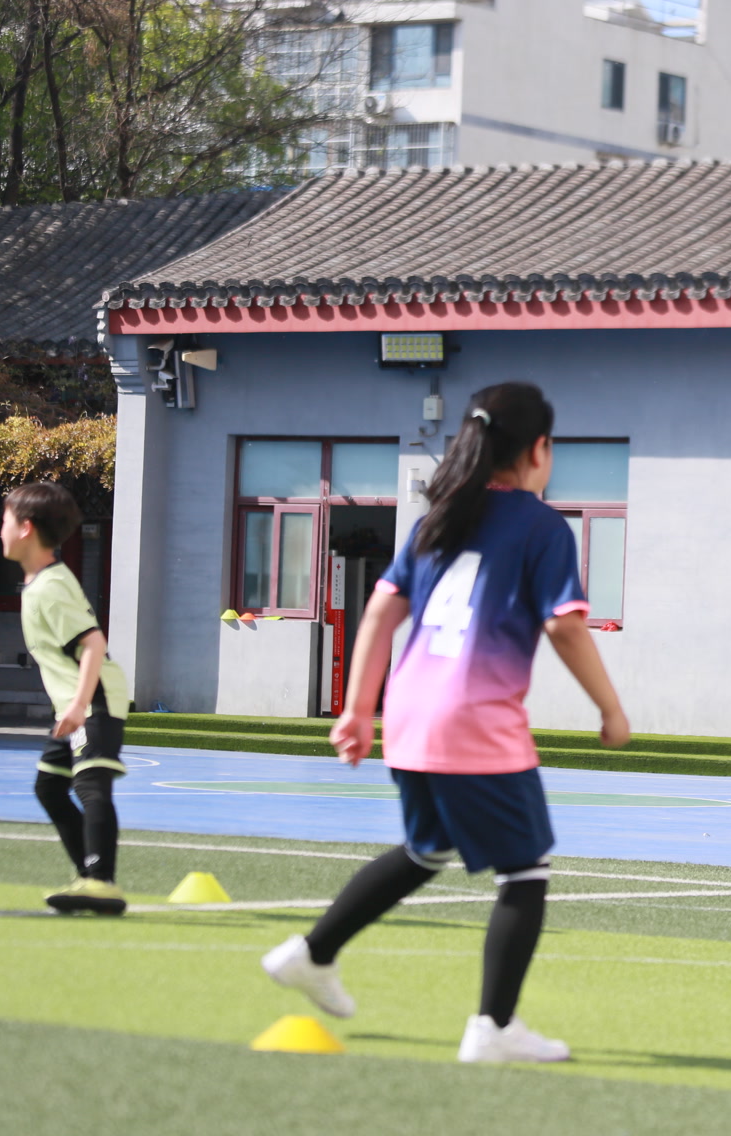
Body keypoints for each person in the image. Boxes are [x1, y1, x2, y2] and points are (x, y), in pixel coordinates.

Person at [262, 383, 630, 1064]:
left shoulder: (435, 521)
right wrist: (610, 709)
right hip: (475, 718)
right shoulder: (542, 526)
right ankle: (493, 1028)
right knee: (526, 872)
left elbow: (378, 614)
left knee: (425, 849)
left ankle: (312, 953)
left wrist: (356, 710)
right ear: (539, 450)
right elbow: (565, 626)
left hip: (410, 715)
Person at [1, 482, 134, 915]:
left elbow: (93, 643)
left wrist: (79, 706)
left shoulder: (50, 586)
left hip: (93, 699)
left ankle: (100, 882)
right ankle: (89, 877)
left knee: (91, 782)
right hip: (74, 704)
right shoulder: (40, 583)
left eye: (4, 521)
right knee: (50, 787)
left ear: (25, 528)